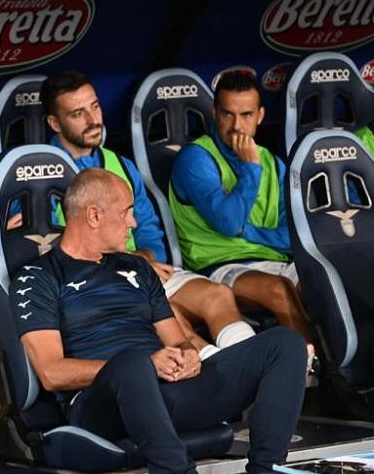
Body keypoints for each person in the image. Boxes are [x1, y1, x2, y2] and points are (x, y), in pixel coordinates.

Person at [13, 169, 306, 474]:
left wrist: (188, 356)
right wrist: (146, 365)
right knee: (133, 362)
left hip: (163, 390)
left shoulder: (137, 267)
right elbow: (52, 373)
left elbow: (177, 341)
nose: (133, 223)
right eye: (126, 212)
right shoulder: (38, 277)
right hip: (100, 404)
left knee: (284, 344)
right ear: (94, 215)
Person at [41, 70, 255, 358]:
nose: (94, 120)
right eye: (78, 114)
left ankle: (249, 361)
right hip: (88, 283)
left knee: (217, 295)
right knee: (169, 317)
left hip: (140, 268)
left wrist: (144, 259)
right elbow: (49, 249)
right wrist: (125, 265)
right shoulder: (38, 175)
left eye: (95, 106)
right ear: (55, 122)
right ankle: (223, 376)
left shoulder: (121, 165)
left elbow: (149, 232)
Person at [169, 70, 313, 342]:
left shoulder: (272, 161)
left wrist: (248, 233)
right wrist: (249, 169)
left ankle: (347, 370)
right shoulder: (196, 158)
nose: (237, 126)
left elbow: (292, 234)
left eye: (246, 115)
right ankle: (308, 373)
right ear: (215, 112)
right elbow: (229, 223)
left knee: (326, 283)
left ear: (260, 116)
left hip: (277, 260)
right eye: (228, 114)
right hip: (220, 265)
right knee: (279, 290)